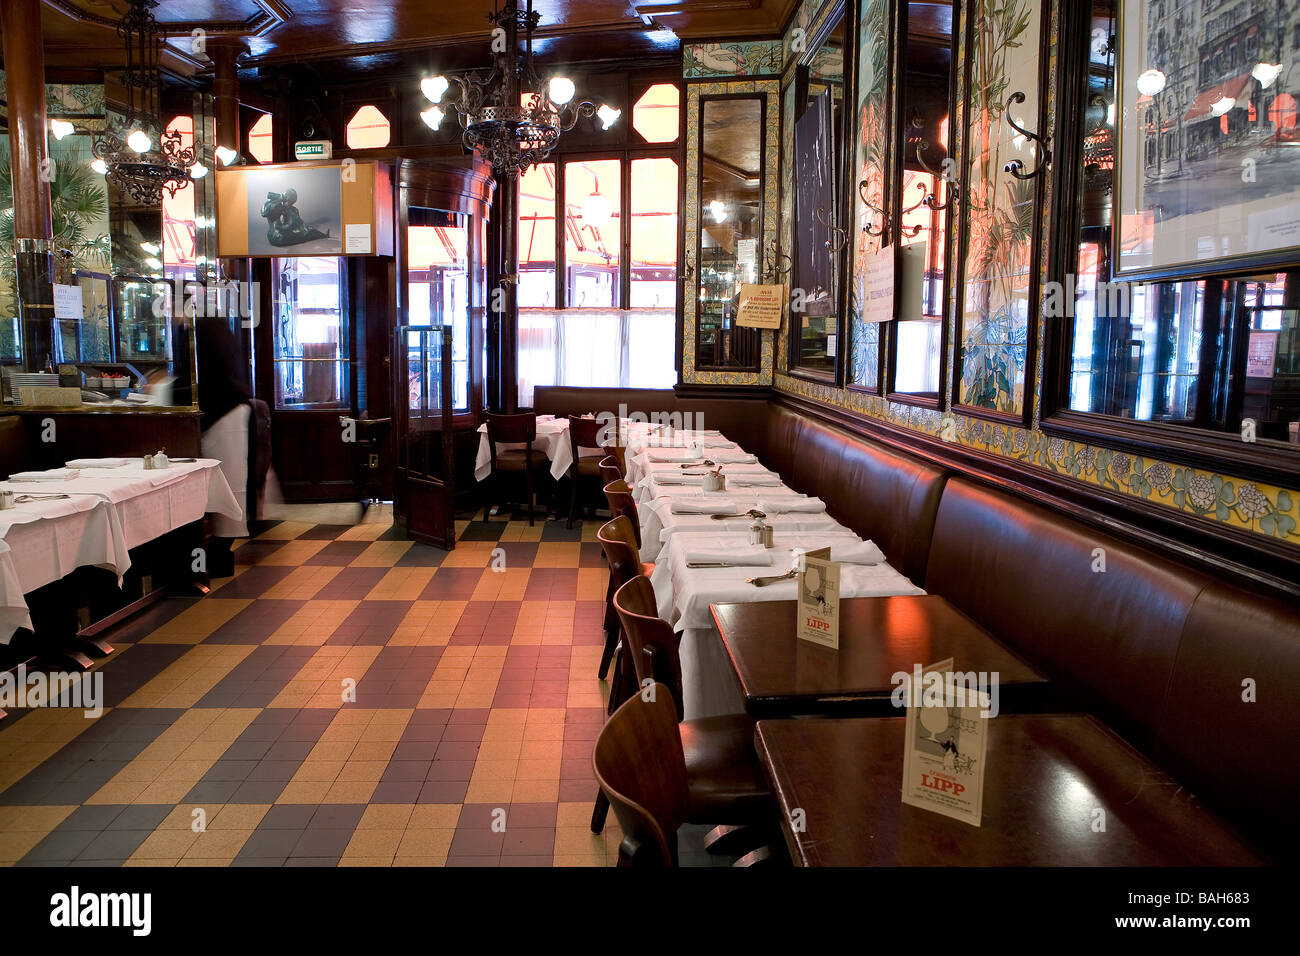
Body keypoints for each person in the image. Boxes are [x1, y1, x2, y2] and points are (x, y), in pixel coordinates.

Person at [196, 317, 255, 577]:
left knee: (226, 487)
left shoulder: (203, 336)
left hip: (221, 417)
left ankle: (216, 555)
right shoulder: (221, 334)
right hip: (231, 414)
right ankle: (220, 553)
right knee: (231, 487)